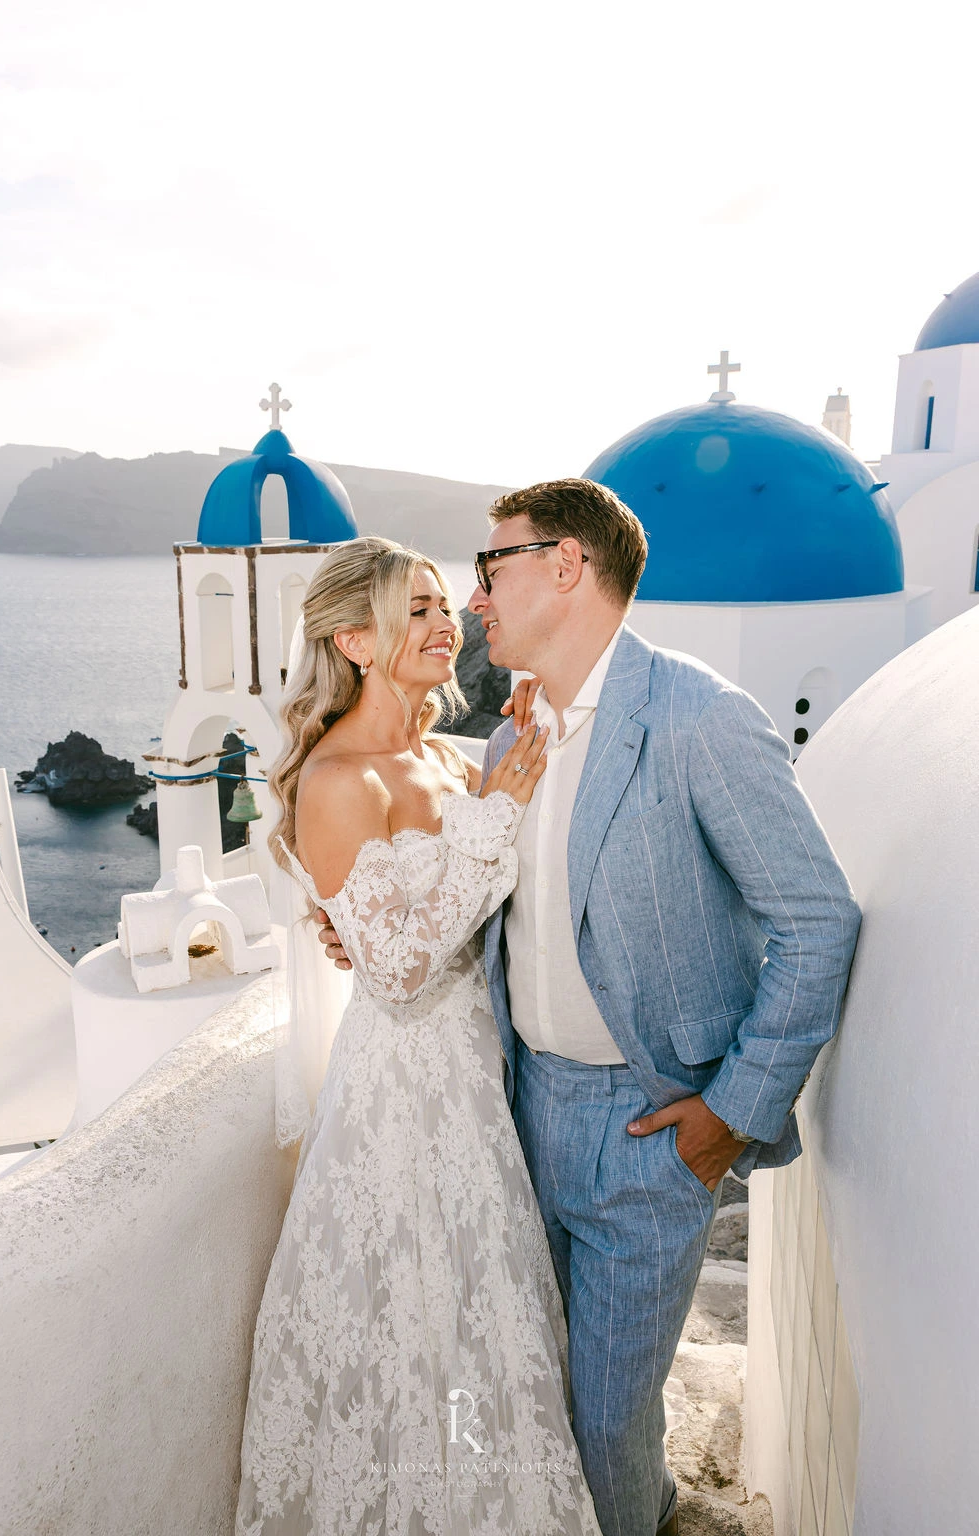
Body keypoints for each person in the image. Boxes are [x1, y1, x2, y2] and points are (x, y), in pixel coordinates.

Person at [317, 481, 862, 1536]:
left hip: (648, 1130)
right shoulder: (500, 744)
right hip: (514, 1117)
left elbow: (815, 920)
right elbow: (493, 914)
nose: (472, 601)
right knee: (525, 1394)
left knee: (608, 1421)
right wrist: (361, 927)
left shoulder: (697, 717)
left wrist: (733, 1115)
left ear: (565, 566)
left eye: (490, 569)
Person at [234, 535, 603, 1536]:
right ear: (354, 638)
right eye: (419, 610)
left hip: (482, 1074)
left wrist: (508, 789)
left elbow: (472, 905)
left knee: (480, 1323)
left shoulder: (449, 755)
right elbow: (395, 974)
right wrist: (494, 821)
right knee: (414, 1318)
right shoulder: (338, 779)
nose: (448, 627)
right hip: (402, 1096)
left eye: (448, 605)